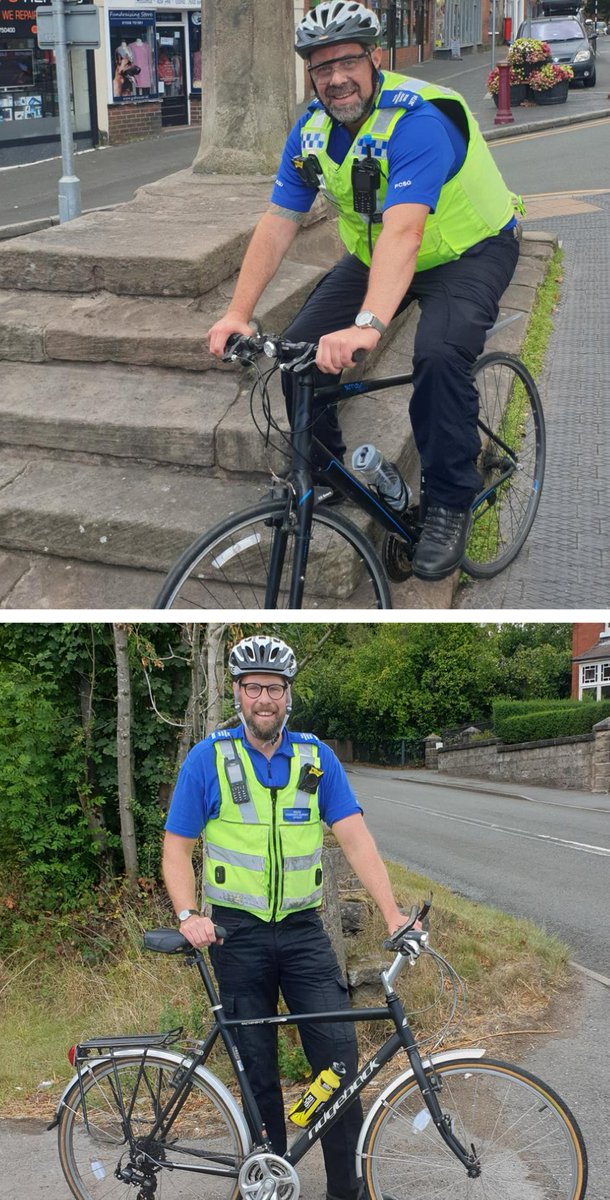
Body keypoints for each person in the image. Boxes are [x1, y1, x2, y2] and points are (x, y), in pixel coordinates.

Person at [207, 0, 523, 581]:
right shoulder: (310, 131)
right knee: (299, 352)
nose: (334, 78)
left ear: (374, 58)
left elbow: (406, 230)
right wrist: (238, 312)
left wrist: (369, 325)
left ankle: (450, 501)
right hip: (379, 256)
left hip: (468, 250)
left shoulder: (419, 119)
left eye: (347, 62)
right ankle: (325, 474)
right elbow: (279, 222)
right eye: (320, 68)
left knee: (439, 355)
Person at [162, 634, 405, 1200]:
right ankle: (268, 1181)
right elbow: (176, 850)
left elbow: (357, 841)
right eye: (253, 688)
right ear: (239, 694)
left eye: (274, 687)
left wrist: (394, 914)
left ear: (288, 695)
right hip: (235, 935)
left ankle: (347, 1190)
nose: (263, 698)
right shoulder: (210, 759)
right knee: (256, 1073)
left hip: (303, 934)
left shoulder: (316, 760)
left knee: (339, 1063)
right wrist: (187, 913)